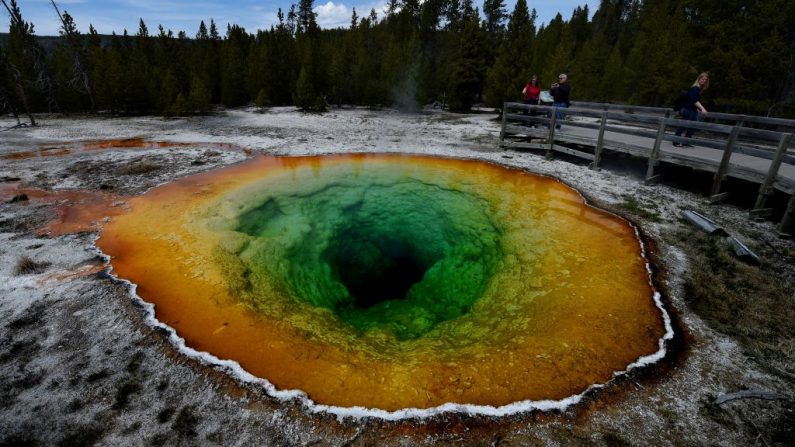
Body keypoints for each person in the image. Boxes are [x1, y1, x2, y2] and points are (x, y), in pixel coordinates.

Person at [674, 72, 709, 147]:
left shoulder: (698, 89)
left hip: (693, 110)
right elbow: (694, 100)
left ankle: (686, 142)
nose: (704, 81)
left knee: (693, 126)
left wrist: (697, 109)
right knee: (684, 125)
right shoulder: (694, 88)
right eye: (702, 79)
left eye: (705, 80)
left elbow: (693, 101)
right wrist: (702, 108)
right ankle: (675, 142)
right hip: (688, 110)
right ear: (698, 79)